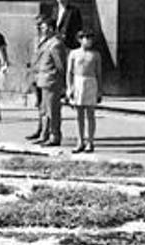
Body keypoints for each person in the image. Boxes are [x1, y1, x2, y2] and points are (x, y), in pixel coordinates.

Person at [31, 17, 68, 145]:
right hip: (44, 80)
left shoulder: (56, 44)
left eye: (44, 28)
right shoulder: (47, 42)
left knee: (53, 110)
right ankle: (45, 134)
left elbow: (60, 65)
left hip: (52, 80)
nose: (42, 30)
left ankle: (55, 136)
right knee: (44, 110)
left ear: (51, 29)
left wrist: (64, 83)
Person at [66, 30, 102, 153]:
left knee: (90, 114)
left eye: (90, 38)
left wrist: (99, 91)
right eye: (86, 38)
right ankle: (80, 141)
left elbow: (99, 73)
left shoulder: (95, 55)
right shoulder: (74, 53)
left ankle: (90, 142)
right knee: (78, 114)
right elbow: (69, 72)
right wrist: (69, 87)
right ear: (80, 39)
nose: (89, 41)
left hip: (91, 82)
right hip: (78, 82)